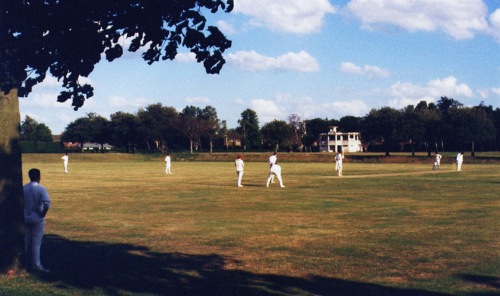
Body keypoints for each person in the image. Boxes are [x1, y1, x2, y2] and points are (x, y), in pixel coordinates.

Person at [24, 168, 51, 273]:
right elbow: (47, 203)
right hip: (37, 218)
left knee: (26, 242)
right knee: (36, 243)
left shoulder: (24, 188)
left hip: (26, 216)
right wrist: (43, 213)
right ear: (39, 176)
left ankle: (24, 263)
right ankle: (36, 265)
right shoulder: (41, 189)